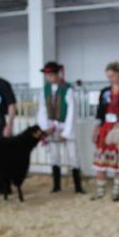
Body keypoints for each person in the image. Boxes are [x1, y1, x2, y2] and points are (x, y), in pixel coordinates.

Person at [37, 61, 84, 194]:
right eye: (47, 75)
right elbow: (42, 109)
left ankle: (78, 187)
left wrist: (67, 132)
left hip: (65, 126)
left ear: (58, 74)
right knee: (54, 156)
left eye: (51, 74)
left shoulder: (67, 89)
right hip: (51, 126)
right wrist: (45, 127)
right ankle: (56, 185)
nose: (49, 77)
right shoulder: (44, 90)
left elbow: (71, 112)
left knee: (73, 155)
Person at [91, 61, 119, 201]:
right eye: (108, 76)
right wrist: (96, 128)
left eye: (113, 75)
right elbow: (100, 113)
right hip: (105, 129)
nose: (111, 79)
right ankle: (100, 189)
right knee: (100, 160)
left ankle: (116, 190)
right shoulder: (104, 92)